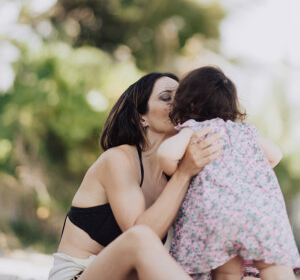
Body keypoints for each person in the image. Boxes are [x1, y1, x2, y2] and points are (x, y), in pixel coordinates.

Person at [48, 72, 223, 280]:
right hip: (79, 276)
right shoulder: (118, 159)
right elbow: (141, 235)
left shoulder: (181, 170)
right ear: (140, 117)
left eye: (183, 97)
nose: (179, 104)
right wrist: (184, 174)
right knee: (139, 237)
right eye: (166, 97)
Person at [157, 66, 300, 280]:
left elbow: (167, 155)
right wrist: (244, 172)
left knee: (226, 271)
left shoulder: (194, 129)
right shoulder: (245, 131)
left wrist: (176, 170)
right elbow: (274, 155)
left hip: (217, 215)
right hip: (262, 212)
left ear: (188, 102)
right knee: (274, 267)